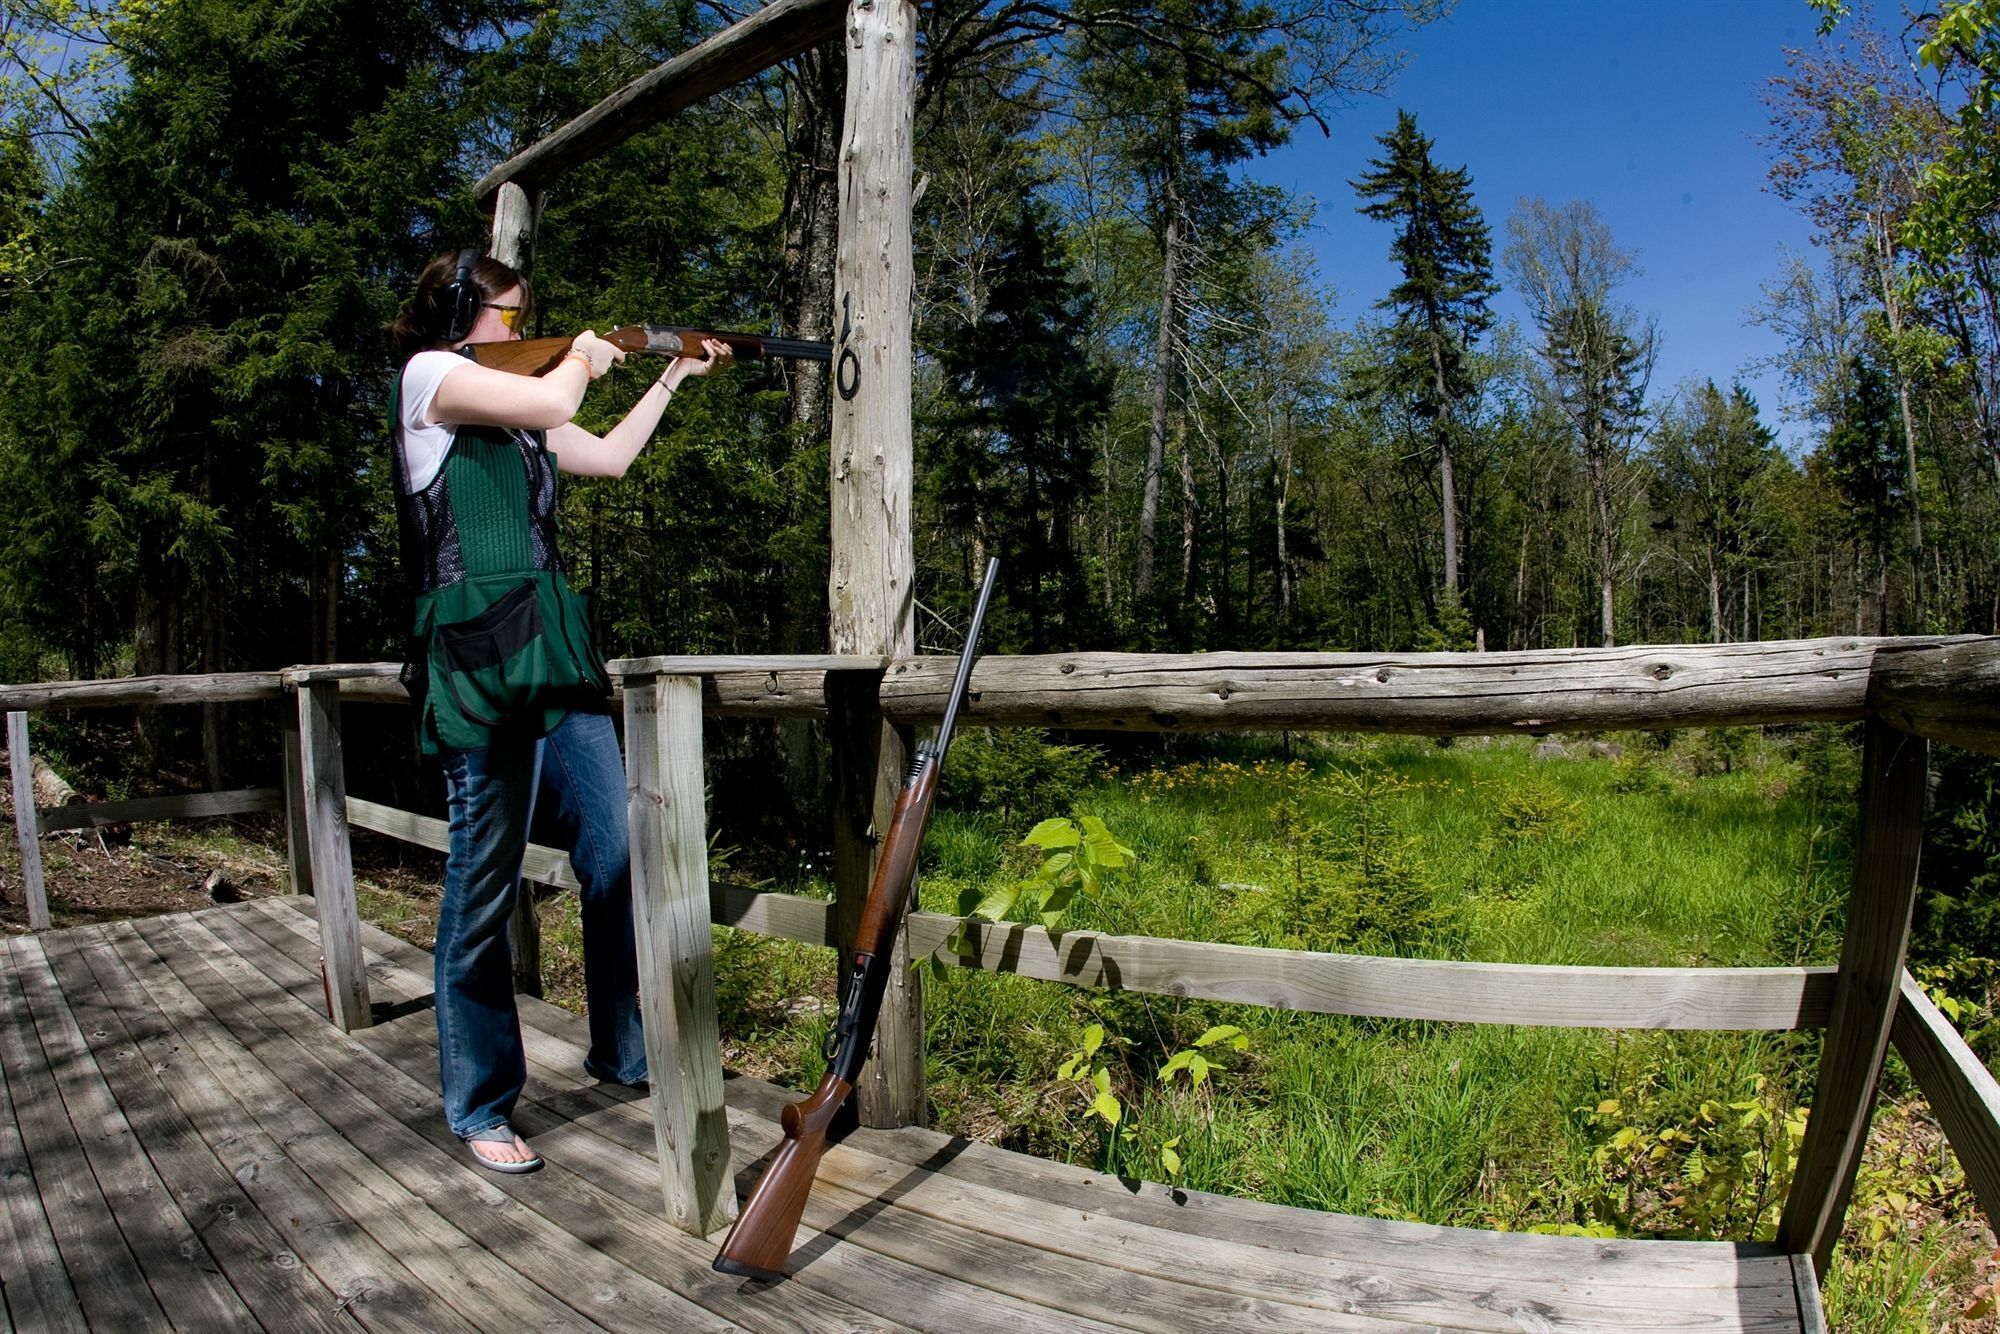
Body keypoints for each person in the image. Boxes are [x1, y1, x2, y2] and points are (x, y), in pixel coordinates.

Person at [387, 249, 731, 1172]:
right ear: (462, 309)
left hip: (551, 651)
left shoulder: (519, 418)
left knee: (615, 852)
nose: (514, 328)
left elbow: (609, 457)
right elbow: (553, 400)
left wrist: (670, 374)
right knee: (483, 878)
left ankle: (622, 1048)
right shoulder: (431, 377)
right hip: (477, 659)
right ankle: (480, 1104)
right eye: (507, 314)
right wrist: (579, 354)